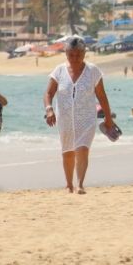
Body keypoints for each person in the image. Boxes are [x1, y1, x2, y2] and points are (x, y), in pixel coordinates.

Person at [44, 37, 115, 194]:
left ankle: (80, 184)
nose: (75, 58)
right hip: (65, 118)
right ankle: (69, 184)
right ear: (66, 53)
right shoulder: (59, 71)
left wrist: (108, 119)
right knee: (68, 151)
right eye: (71, 55)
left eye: (78, 55)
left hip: (87, 118)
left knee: (82, 149)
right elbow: (49, 93)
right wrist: (49, 109)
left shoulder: (93, 71)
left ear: (84, 53)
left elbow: (102, 96)